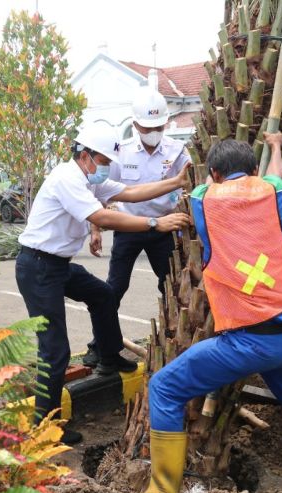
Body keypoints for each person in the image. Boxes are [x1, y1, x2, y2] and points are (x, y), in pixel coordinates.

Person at [118, 133, 282, 493]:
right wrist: (275, 147)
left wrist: (213, 178)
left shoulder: (203, 200)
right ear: (255, 172)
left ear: (213, 173)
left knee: (164, 387)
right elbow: (276, 179)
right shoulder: (274, 193)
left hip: (248, 342)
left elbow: (211, 189)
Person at [16, 122, 191, 444]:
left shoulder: (86, 177)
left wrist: (176, 182)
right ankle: (46, 429)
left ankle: (108, 357)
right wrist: (156, 222)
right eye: (104, 162)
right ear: (85, 155)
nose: (106, 168)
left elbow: (129, 193)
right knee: (55, 350)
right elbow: (103, 218)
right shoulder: (68, 179)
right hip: (39, 267)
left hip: (56, 264)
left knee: (103, 295)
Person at [83, 88, 191, 368]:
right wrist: (95, 229)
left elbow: (190, 184)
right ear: (136, 125)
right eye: (147, 126)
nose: (153, 131)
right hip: (128, 228)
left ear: (165, 124)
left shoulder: (178, 151)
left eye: (158, 126)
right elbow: (102, 192)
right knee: (114, 289)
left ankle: (177, 340)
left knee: (172, 285)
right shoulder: (122, 152)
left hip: (164, 229)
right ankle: (99, 345)